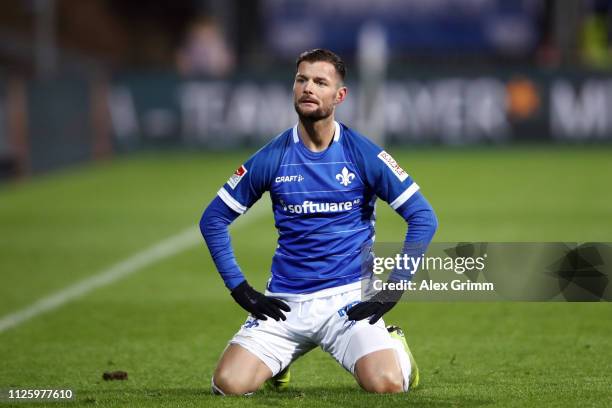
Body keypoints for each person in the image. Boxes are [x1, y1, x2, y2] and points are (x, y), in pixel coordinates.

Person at [200, 48, 437, 395]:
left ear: (339, 95)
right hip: (285, 301)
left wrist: (393, 288)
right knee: (228, 385)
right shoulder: (272, 157)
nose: (308, 88)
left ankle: (394, 344)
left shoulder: (362, 153)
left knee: (387, 384)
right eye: (301, 80)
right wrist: (240, 289)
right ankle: (277, 365)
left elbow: (423, 216)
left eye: (320, 82)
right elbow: (213, 220)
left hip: (347, 301)